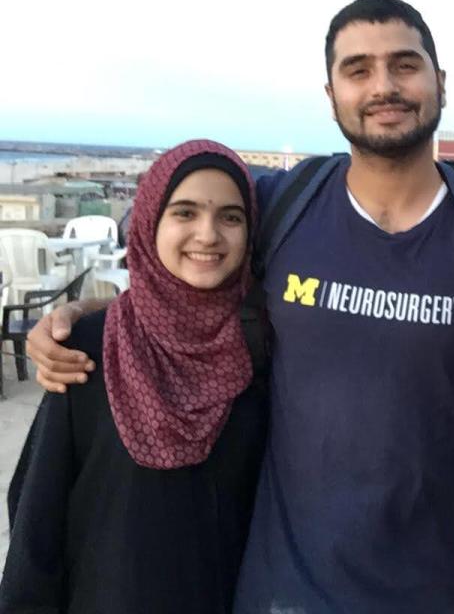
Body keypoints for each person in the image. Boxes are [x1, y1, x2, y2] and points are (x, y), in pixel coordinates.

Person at [25, 0, 454, 613]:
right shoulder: (281, 206)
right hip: (283, 591)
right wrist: (81, 314)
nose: (384, 86)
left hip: (439, 586)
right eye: (358, 69)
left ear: (440, 82)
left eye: (404, 65)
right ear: (331, 93)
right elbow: (185, 271)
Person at [0, 140, 268, 613]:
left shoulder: (259, 354)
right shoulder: (88, 346)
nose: (208, 235)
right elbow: (37, 515)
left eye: (231, 217)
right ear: (149, 223)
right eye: (184, 213)